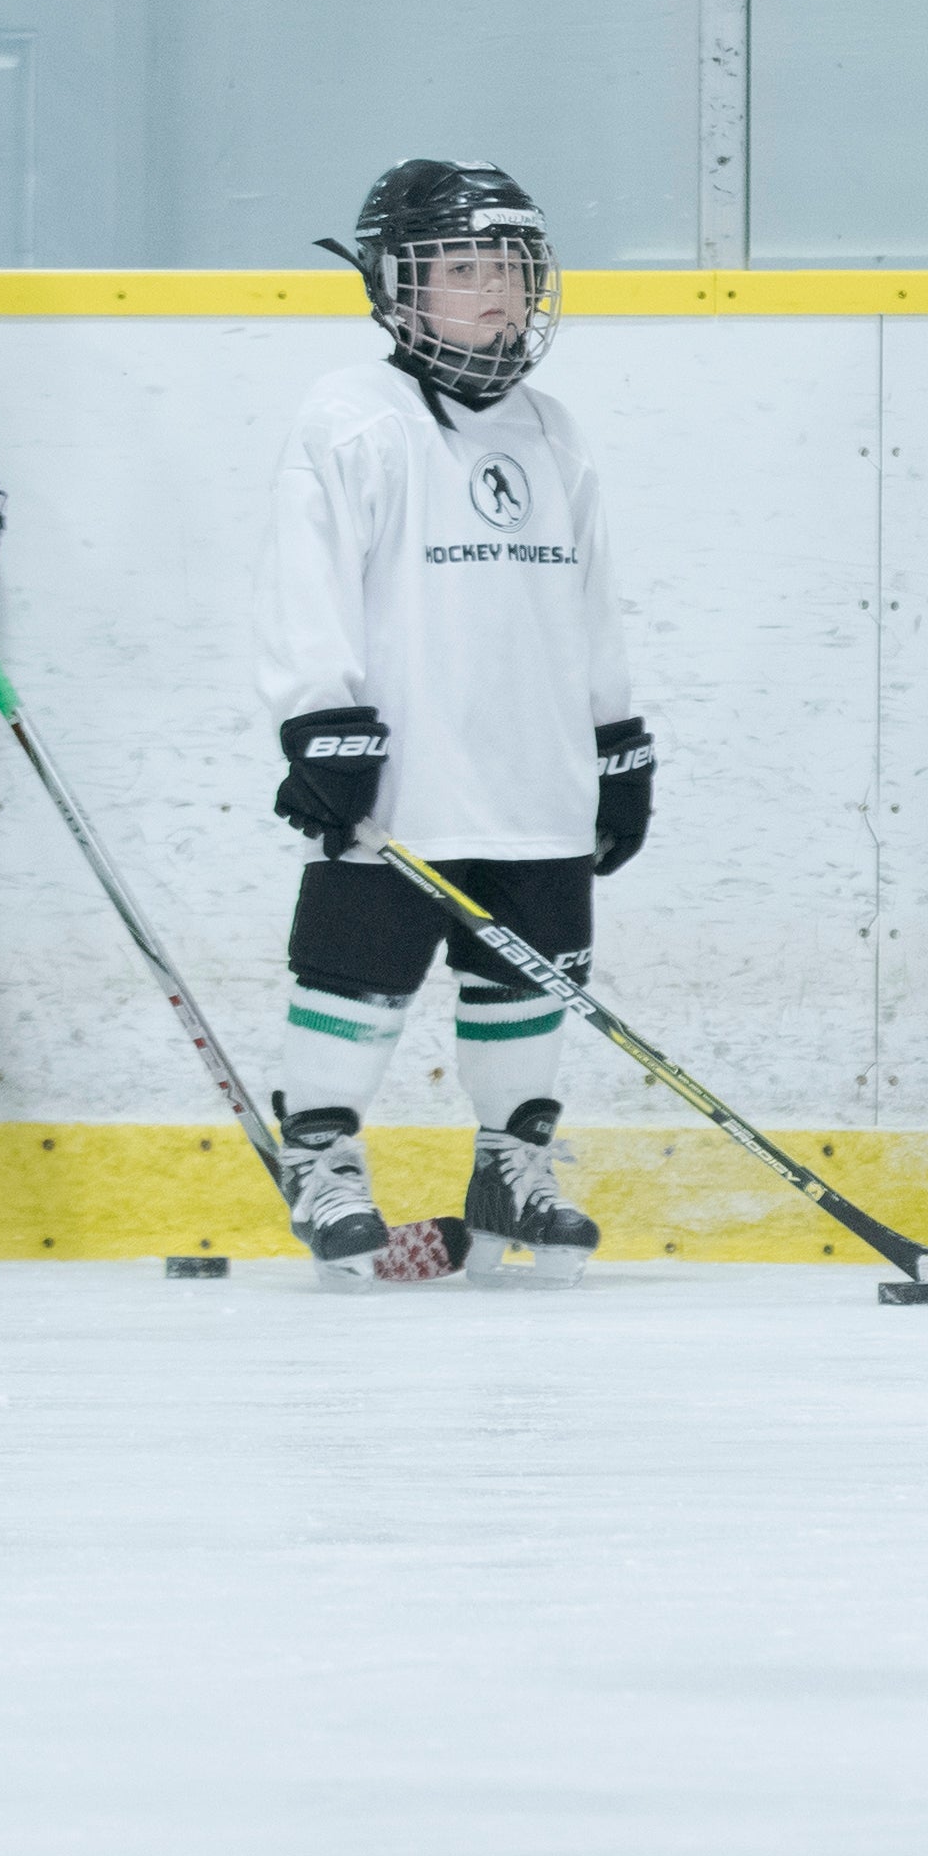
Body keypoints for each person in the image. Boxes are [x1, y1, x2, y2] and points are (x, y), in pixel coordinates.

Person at [252, 161, 645, 1290]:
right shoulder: (349, 417)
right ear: (393, 286)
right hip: (400, 779)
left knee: (530, 973)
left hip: (537, 769)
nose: (496, 296)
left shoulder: (553, 432)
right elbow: (303, 577)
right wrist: (319, 715)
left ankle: (512, 1161)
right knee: (354, 967)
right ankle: (322, 1153)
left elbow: (591, 599)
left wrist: (616, 739)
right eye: (462, 270)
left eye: (512, 270)